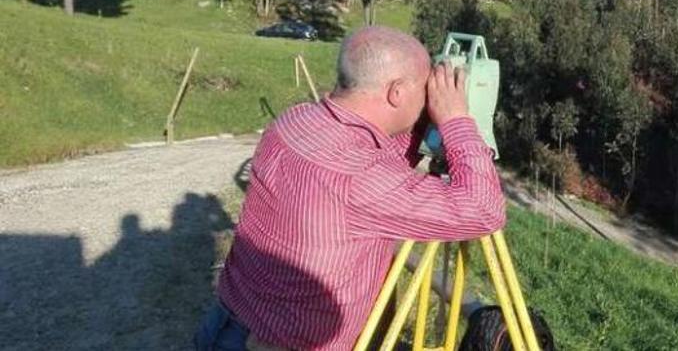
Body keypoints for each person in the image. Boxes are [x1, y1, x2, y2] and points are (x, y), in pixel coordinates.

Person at [195, 26, 506, 350]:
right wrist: (456, 119)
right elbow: (484, 210)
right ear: (396, 92)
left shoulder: (295, 120)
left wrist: (426, 125)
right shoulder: (359, 175)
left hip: (224, 325)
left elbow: (375, 156)